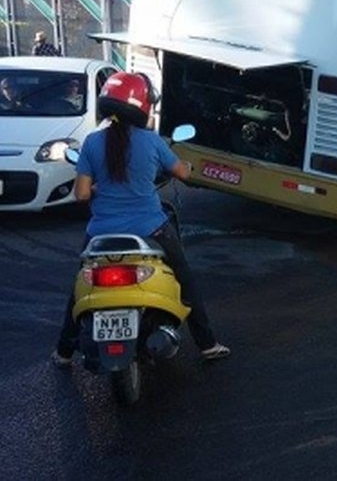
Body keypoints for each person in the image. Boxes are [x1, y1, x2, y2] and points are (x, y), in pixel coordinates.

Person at [52, 72, 230, 366]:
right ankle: (207, 344)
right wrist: (185, 165)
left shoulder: (93, 143)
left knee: (78, 287)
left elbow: (81, 195)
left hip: (100, 234)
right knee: (186, 280)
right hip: (151, 229)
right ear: (143, 105)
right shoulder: (152, 142)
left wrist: (100, 186)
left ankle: (63, 352)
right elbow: (183, 174)